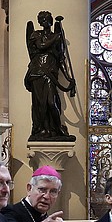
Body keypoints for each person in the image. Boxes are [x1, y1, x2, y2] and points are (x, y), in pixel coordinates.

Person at [24, 10, 76, 141]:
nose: (45, 21)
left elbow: (60, 60)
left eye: (47, 19)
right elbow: (41, 46)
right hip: (38, 73)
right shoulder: (36, 34)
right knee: (40, 104)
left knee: (52, 103)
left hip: (51, 73)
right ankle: (42, 130)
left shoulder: (56, 36)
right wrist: (57, 37)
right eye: (42, 19)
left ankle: (57, 130)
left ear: (51, 20)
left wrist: (69, 78)